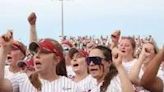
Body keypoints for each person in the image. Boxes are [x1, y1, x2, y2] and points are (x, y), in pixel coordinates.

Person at [0, 38, 79, 92]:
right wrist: (3, 50)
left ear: (57, 59)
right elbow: (1, 86)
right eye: (35, 52)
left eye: (43, 52)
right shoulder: (23, 79)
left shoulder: (72, 86)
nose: (36, 56)